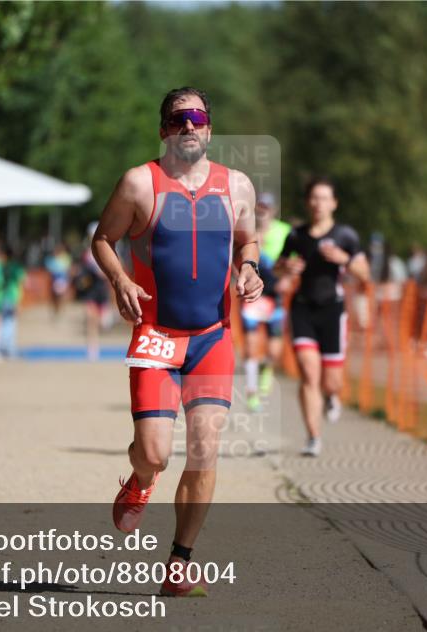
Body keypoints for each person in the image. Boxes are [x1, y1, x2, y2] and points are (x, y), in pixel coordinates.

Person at [92, 87, 262, 597]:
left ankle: (181, 561)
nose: (189, 125)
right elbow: (102, 239)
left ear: (209, 128)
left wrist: (249, 267)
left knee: (205, 450)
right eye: (178, 118)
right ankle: (141, 478)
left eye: (198, 117)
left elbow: (247, 238)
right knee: (155, 452)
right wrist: (120, 280)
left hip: (213, 338)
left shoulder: (237, 186)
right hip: (157, 335)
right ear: (164, 129)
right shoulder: (139, 184)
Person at [275, 177, 370, 457]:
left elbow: (365, 275)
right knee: (307, 370)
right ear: (308, 202)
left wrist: (345, 260)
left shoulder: (346, 236)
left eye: (325, 198)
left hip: (333, 310)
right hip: (303, 307)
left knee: (332, 382)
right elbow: (280, 268)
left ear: (334, 203)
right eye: (314, 198)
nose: (319, 203)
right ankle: (313, 437)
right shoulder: (296, 235)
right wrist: (287, 266)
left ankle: (332, 395)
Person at [241, 193, 290, 411]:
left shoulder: (285, 231)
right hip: (253, 295)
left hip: (274, 296)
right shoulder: (247, 232)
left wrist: (287, 279)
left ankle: (266, 374)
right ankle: (252, 393)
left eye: (267, 208)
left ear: (274, 210)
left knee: (274, 351)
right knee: (251, 348)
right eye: (259, 207)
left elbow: (295, 259)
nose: (263, 211)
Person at [74, 222, 112, 361]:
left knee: (102, 323)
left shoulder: (109, 251)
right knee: (91, 321)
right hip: (90, 292)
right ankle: (92, 350)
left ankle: (95, 345)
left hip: (102, 292)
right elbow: (80, 273)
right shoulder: (86, 255)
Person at [0, 245, 25, 359]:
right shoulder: (17, 268)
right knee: (10, 323)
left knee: (2, 322)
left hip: (2, 297)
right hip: (13, 297)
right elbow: (21, 283)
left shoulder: (1, 266)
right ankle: (8, 348)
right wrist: (18, 302)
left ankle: (2, 347)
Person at [44, 243, 72, 318]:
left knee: (61, 296)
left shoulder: (65, 258)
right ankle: (56, 309)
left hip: (62, 280)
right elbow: (49, 270)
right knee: (54, 297)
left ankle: (60, 309)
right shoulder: (51, 259)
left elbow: (67, 270)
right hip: (54, 280)